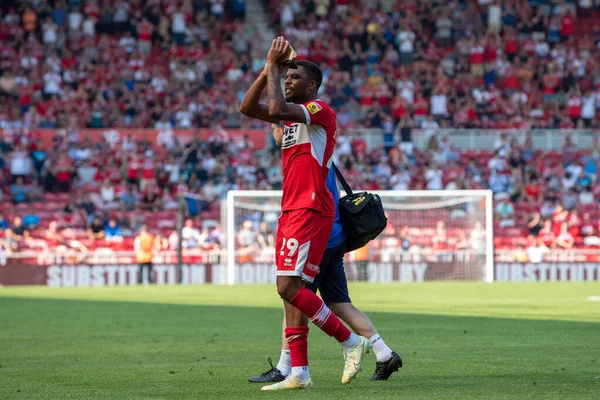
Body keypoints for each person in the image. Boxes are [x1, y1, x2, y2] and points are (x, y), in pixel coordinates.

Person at [240, 37, 368, 390]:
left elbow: (278, 108)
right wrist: (270, 68)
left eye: (293, 78)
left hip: (310, 208)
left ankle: (351, 341)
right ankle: (299, 372)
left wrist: (274, 64)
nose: (287, 82)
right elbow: (247, 107)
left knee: (287, 287)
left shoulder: (318, 111)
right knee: (292, 288)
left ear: (311, 85)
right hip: (293, 209)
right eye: (285, 78)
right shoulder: (293, 120)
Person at [249, 138, 402, 384]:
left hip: (318, 239)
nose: (277, 132)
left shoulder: (309, 163)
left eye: (276, 127)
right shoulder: (325, 161)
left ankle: (287, 367)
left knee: (294, 297)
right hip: (336, 239)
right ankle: (384, 353)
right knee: (340, 303)